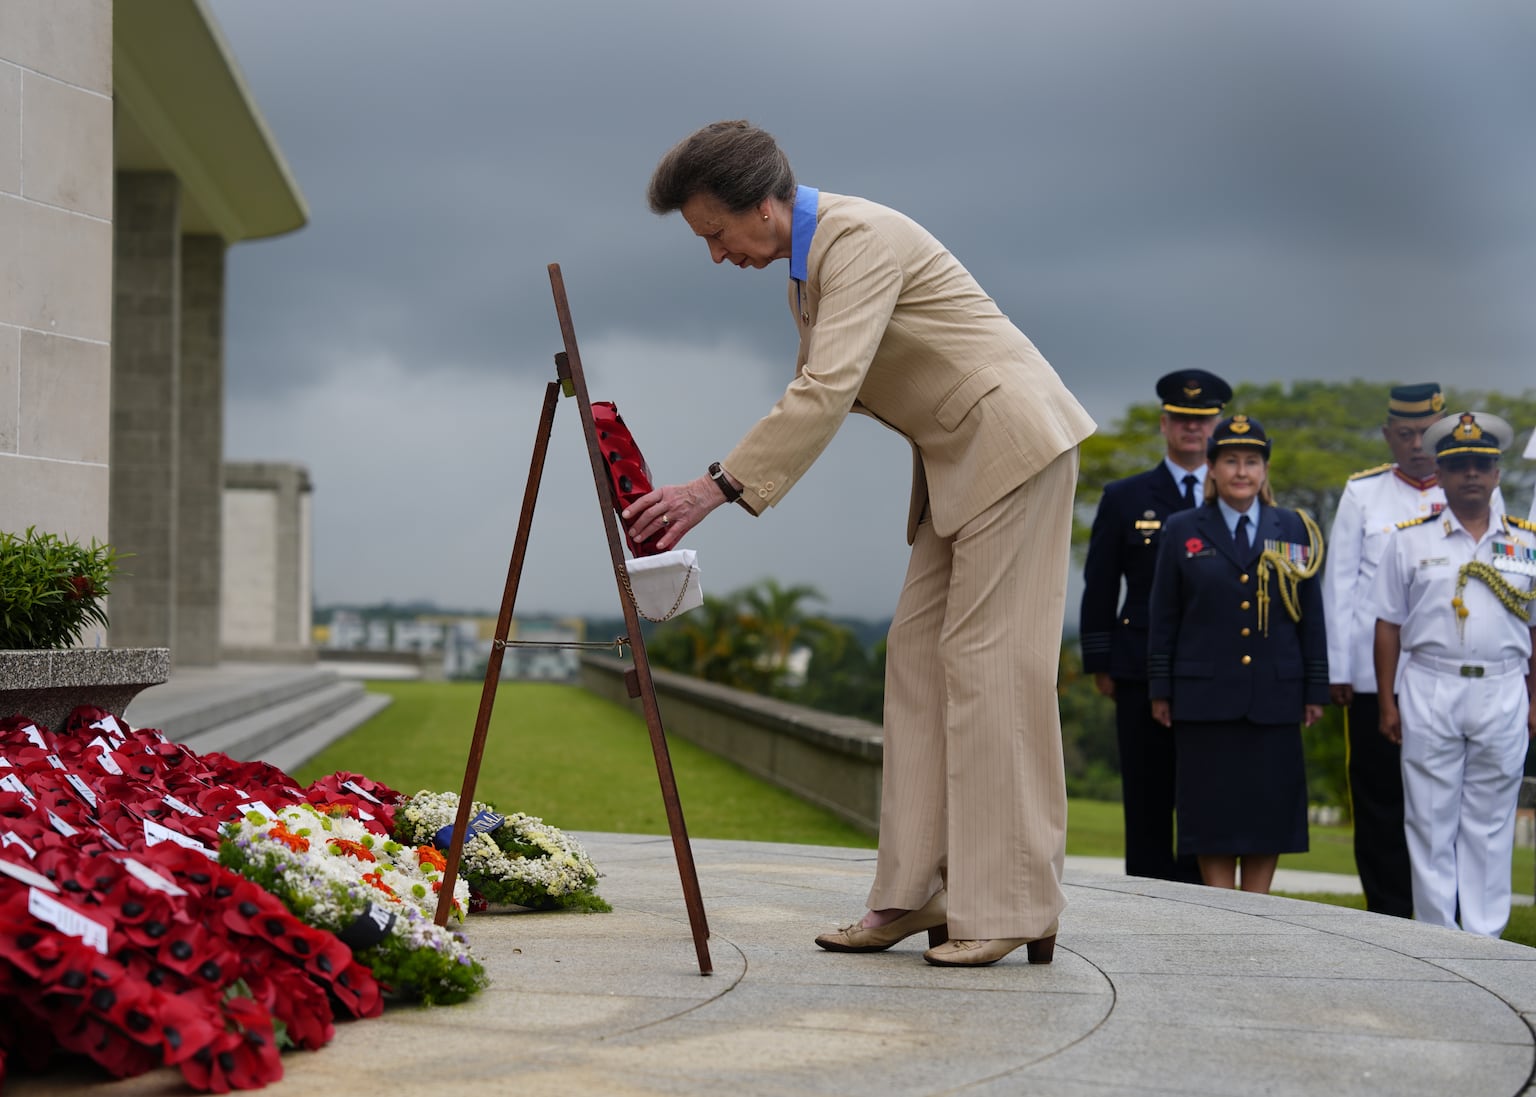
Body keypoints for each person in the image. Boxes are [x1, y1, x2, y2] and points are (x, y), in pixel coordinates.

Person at [627, 120, 1095, 967]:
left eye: (716, 233)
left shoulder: (859, 239)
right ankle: (914, 894)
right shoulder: (807, 269)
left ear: (763, 206)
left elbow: (827, 387)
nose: (716, 255)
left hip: (1013, 449)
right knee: (916, 656)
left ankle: (1015, 903)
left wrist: (713, 487)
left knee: (992, 665)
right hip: (960, 465)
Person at [1370, 411, 1536, 937]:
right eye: (1459, 465)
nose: (1471, 475)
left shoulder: (1528, 544)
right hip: (1431, 683)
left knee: (1490, 821)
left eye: (1481, 465)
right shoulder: (1408, 540)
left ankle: (1484, 936)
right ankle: (1437, 934)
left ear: (1497, 475)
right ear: (1439, 475)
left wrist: (1535, 700)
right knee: (1429, 817)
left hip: (1504, 685)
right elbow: (1387, 625)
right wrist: (1387, 702)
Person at [1147, 415, 1328, 893]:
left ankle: (1259, 907)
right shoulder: (1182, 528)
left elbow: (1310, 615)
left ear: (1265, 470)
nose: (1242, 471)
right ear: (1211, 467)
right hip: (1205, 698)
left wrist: (1315, 686)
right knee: (1212, 809)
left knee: (1269, 808)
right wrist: (1160, 687)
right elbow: (1164, 615)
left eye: (1252, 461)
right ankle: (1220, 906)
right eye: (1230, 461)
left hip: (1276, 695)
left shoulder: (1292, 528)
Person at [1080, 370, 1232, 884]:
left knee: (1203, 790)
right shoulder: (1126, 496)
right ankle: (1144, 899)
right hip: (1140, 665)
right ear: (1165, 425)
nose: (1193, 429)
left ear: (1217, 425)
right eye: (1183, 420)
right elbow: (1100, 583)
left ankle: (1195, 899)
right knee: (1146, 792)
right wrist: (1100, 661)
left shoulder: (1232, 498)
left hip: (1212, 670)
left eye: (1203, 420)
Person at [1321, 383, 1448, 918]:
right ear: (1387, 436)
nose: (1417, 444)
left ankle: (1444, 910)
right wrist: (1338, 667)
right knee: (1378, 799)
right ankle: (1390, 914)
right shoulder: (1364, 493)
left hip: (1443, 675)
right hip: (1375, 678)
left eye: (1427, 433)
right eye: (1405, 434)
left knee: (1442, 800)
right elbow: (1340, 582)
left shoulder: (1474, 488)